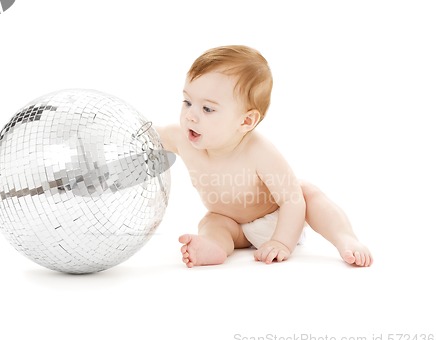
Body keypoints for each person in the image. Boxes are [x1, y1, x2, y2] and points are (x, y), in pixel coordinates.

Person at [156, 45, 373, 267]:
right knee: (212, 221)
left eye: (207, 109)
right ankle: (214, 247)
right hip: (234, 226)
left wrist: (281, 241)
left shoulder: (258, 151)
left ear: (246, 121)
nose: (190, 116)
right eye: (187, 102)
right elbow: (147, 140)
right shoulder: (180, 137)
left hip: (282, 219)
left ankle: (345, 238)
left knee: (306, 193)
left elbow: (291, 200)